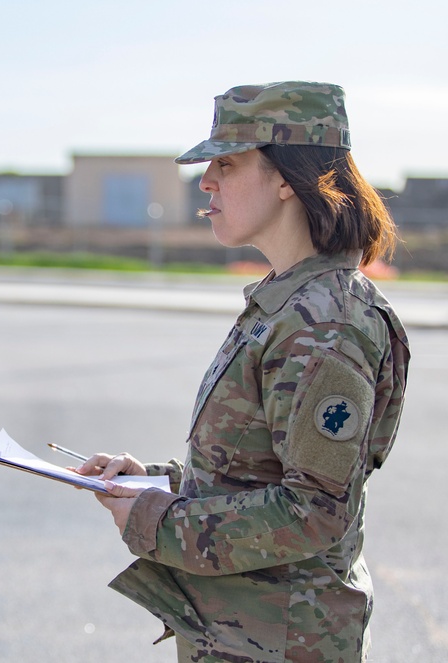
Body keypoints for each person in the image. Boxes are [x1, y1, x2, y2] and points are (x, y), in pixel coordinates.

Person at [78, 81, 410, 662]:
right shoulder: (289, 304)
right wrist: (154, 483)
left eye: (226, 165)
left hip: (282, 642)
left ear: (287, 177)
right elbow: (254, 472)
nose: (205, 182)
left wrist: (158, 521)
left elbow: (312, 511)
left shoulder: (323, 325)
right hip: (242, 634)